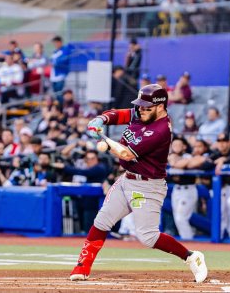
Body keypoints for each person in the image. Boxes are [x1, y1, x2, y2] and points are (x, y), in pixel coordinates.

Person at [69, 84, 208, 283]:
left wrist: (104, 140)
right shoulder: (143, 112)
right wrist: (101, 119)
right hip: (127, 179)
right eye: (140, 105)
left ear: (160, 107)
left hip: (148, 186)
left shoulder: (160, 130)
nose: (141, 109)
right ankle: (82, 266)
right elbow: (120, 114)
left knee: (148, 237)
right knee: (102, 221)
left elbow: (125, 153)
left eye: (146, 106)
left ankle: (191, 257)